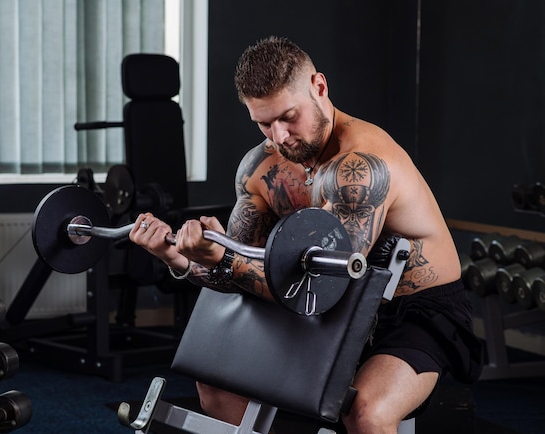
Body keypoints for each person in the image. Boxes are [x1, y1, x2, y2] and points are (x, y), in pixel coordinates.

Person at [129, 36, 482, 434]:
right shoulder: (259, 169)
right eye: (264, 123)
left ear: (319, 87)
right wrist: (180, 257)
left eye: (288, 117)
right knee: (216, 380)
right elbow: (240, 274)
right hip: (315, 303)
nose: (278, 136)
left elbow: (327, 285)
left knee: (366, 411)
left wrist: (224, 259)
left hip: (414, 312)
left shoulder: (362, 166)